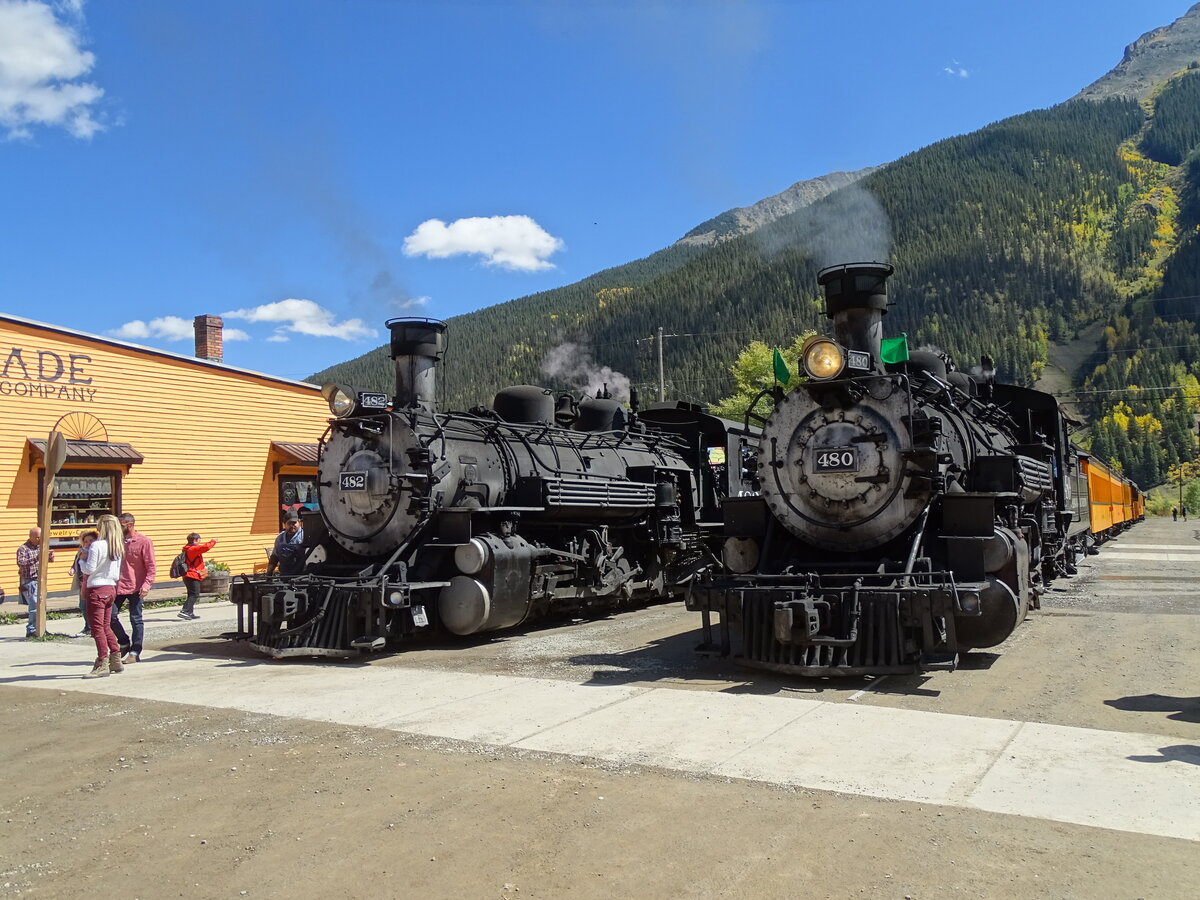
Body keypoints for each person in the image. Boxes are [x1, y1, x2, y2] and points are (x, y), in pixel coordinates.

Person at [80, 515, 124, 678]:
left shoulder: (97, 545)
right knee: (106, 625)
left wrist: (81, 561)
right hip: (110, 587)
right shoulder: (117, 545)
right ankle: (115, 657)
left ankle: (102, 662)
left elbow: (89, 569)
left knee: (97, 628)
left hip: (97, 588)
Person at [111, 512, 156, 664]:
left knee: (135, 618)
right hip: (117, 585)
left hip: (136, 586)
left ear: (129, 525)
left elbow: (151, 566)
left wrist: (147, 584)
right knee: (110, 616)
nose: (118, 528)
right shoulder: (116, 541)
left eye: (121, 525)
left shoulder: (144, 541)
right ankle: (123, 641)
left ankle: (135, 652)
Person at [16, 527, 53, 639]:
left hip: (40, 580)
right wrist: (37, 557)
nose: (39, 539)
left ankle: (41, 628)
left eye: (40, 537)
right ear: (31, 536)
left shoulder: (41, 547)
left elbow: (46, 561)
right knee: (34, 606)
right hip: (29, 580)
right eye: (37, 537)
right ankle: (31, 630)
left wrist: (49, 557)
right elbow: (21, 563)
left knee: (41, 606)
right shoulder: (23, 548)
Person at [179, 532, 217, 619]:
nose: (200, 542)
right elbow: (205, 547)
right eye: (199, 540)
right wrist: (213, 541)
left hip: (188, 575)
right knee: (195, 594)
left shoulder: (188, 549)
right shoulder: (192, 549)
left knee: (191, 594)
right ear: (195, 540)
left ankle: (190, 613)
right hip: (191, 575)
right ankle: (185, 611)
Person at [70, 530, 100, 638]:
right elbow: (76, 562)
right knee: (83, 606)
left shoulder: (95, 552)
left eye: (91, 540)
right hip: (82, 582)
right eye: (86, 541)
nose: (88, 543)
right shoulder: (81, 551)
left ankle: (93, 628)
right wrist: (72, 569)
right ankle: (88, 627)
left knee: (89, 606)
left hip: (92, 583)